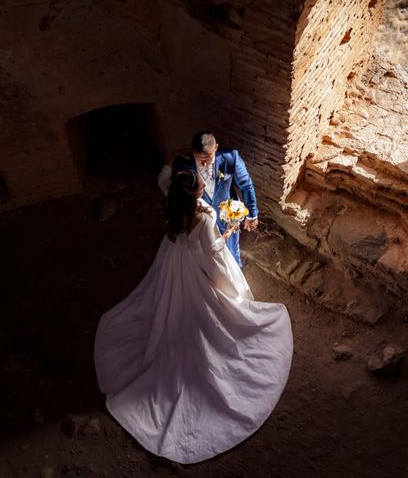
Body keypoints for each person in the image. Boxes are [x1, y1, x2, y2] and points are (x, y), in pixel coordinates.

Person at [94, 169, 293, 464]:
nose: (204, 184)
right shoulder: (204, 218)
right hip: (197, 264)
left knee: (166, 301)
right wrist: (228, 230)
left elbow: (175, 231)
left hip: (175, 259)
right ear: (196, 193)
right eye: (201, 184)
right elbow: (212, 251)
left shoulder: (173, 207)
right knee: (211, 306)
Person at [158, 131, 258, 267]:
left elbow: (246, 184)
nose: (204, 165)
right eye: (200, 159)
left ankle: (234, 269)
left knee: (232, 250)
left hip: (228, 215)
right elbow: (171, 190)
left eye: (208, 158)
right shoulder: (182, 164)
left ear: (216, 147)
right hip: (200, 223)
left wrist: (251, 215)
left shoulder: (231, 156)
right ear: (192, 150)